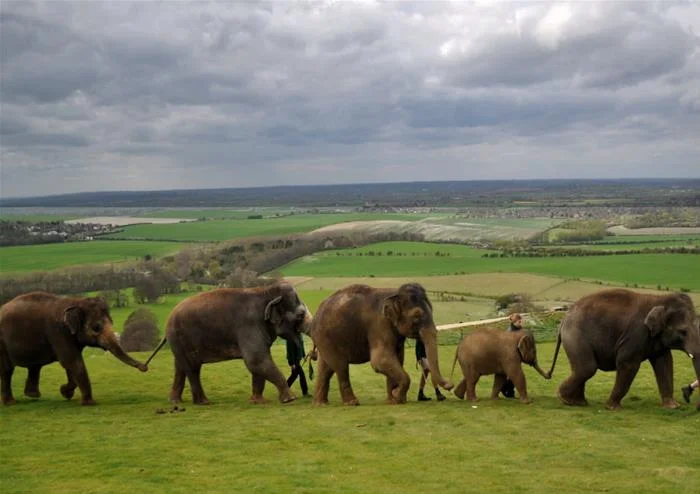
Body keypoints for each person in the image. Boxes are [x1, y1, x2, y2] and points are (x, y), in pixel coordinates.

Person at [500, 313, 523, 399]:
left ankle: (508, 391)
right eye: (520, 321)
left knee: (512, 375)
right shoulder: (510, 332)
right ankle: (508, 392)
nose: (521, 323)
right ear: (515, 322)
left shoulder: (518, 329)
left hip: (516, 355)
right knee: (512, 375)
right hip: (509, 356)